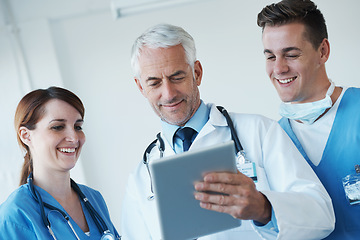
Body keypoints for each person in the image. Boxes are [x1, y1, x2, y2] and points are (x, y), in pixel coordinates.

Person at [121, 23, 335, 239]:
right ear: (141, 87)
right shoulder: (140, 179)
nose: (168, 94)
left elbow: (322, 215)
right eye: (155, 83)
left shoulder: (258, 132)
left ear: (197, 72)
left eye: (177, 77)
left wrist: (264, 208)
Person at [257, 0, 360, 239]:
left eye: (291, 54)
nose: (279, 68)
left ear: (322, 51)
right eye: (270, 57)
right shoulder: (272, 140)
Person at [0, 87, 120, 239]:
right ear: (26, 136)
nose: (74, 138)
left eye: (78, 127)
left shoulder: (94, 199)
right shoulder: (14, 216)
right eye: (57, 127)